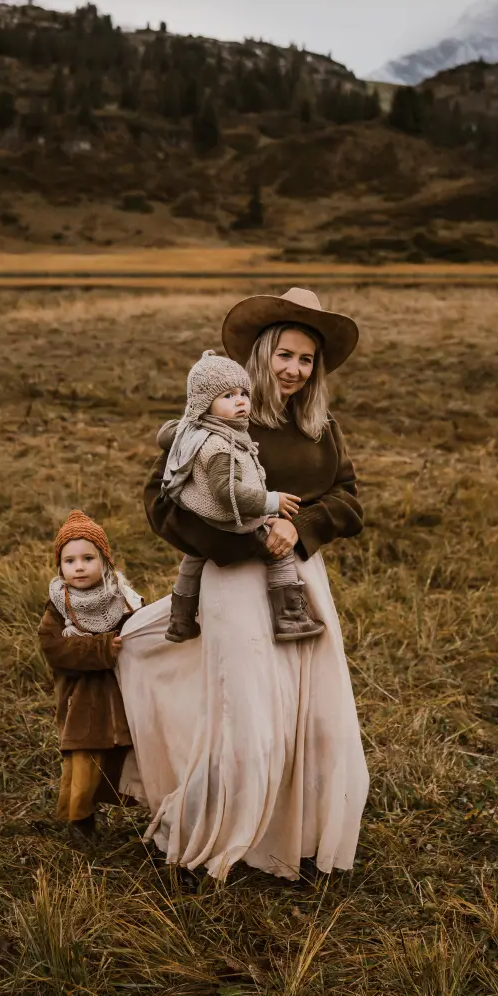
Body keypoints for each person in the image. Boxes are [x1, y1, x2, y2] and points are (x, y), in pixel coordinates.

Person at [116, 288, 368, 882]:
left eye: (306, 360)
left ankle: (292, 838)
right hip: (233, 581)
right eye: (284, 354)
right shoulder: (216, 417)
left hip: (300, 583)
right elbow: (161, 501)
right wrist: (250, 542)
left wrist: (300, 527)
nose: (293, 370)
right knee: (250, 717)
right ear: (261, 353)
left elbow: (350, 500)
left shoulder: (321, 426)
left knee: (313, 717)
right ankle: (224, 832)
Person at [157, 347, 324, 645]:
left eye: (242, 394)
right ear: (204, 405)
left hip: (207, 519)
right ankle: (290, 616)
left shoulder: (197, 432)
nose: (240, 402)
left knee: (192, 560)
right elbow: (228, 494)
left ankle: (180, 620)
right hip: (231, 520)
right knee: (278, 554)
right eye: (228, 396)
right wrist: (271, 502)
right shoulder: (220, 445)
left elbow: (170, 433)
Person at [37, 510, 143, 836]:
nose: (79, 566)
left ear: (105, 561)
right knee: (84, 758)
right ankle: (80, 819)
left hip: (121, 695)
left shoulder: (122, 600)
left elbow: (141, 632)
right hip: (80, 699)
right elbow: (53, 648)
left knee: (130, 750)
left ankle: (150, 806)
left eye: (88, 558)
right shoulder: (59, 605)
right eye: (69, 561)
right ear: (60, 567)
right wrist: (101, 649)